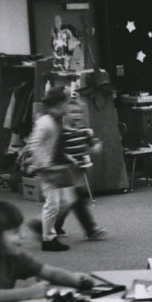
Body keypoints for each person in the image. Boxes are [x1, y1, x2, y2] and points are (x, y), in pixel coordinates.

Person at [0, 200, 94, 302]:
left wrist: (74, 279)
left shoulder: (13, 257)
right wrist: (26, 293)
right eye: (15, 232)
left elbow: (50, 272)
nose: (23, 236)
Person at [25, 86, 75, 252]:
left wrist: (66, 158)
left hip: (56, 166)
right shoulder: (45, 122)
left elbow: (55, 145)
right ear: (58, 105)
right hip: (47, 168)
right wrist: (44, 165)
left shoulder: (55, 121)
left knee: (67, 201)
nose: (67, 108)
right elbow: (34, 144)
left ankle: (40, 224)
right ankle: (48, 239)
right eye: (65, 104)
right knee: (53, 203)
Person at [52, 96, 105, 240]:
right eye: (73, 112)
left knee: (70, 202)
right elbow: (57, 153)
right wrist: (69, 159)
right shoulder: (62, 133)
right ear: (65, 114)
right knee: (77, 200)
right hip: (65, 171)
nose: (77, 115)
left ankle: (55, 226)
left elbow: (92, 144)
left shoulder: (84, 131)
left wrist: (96, 145)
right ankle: (91, 230)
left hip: (79, 172)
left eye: (79, 112)